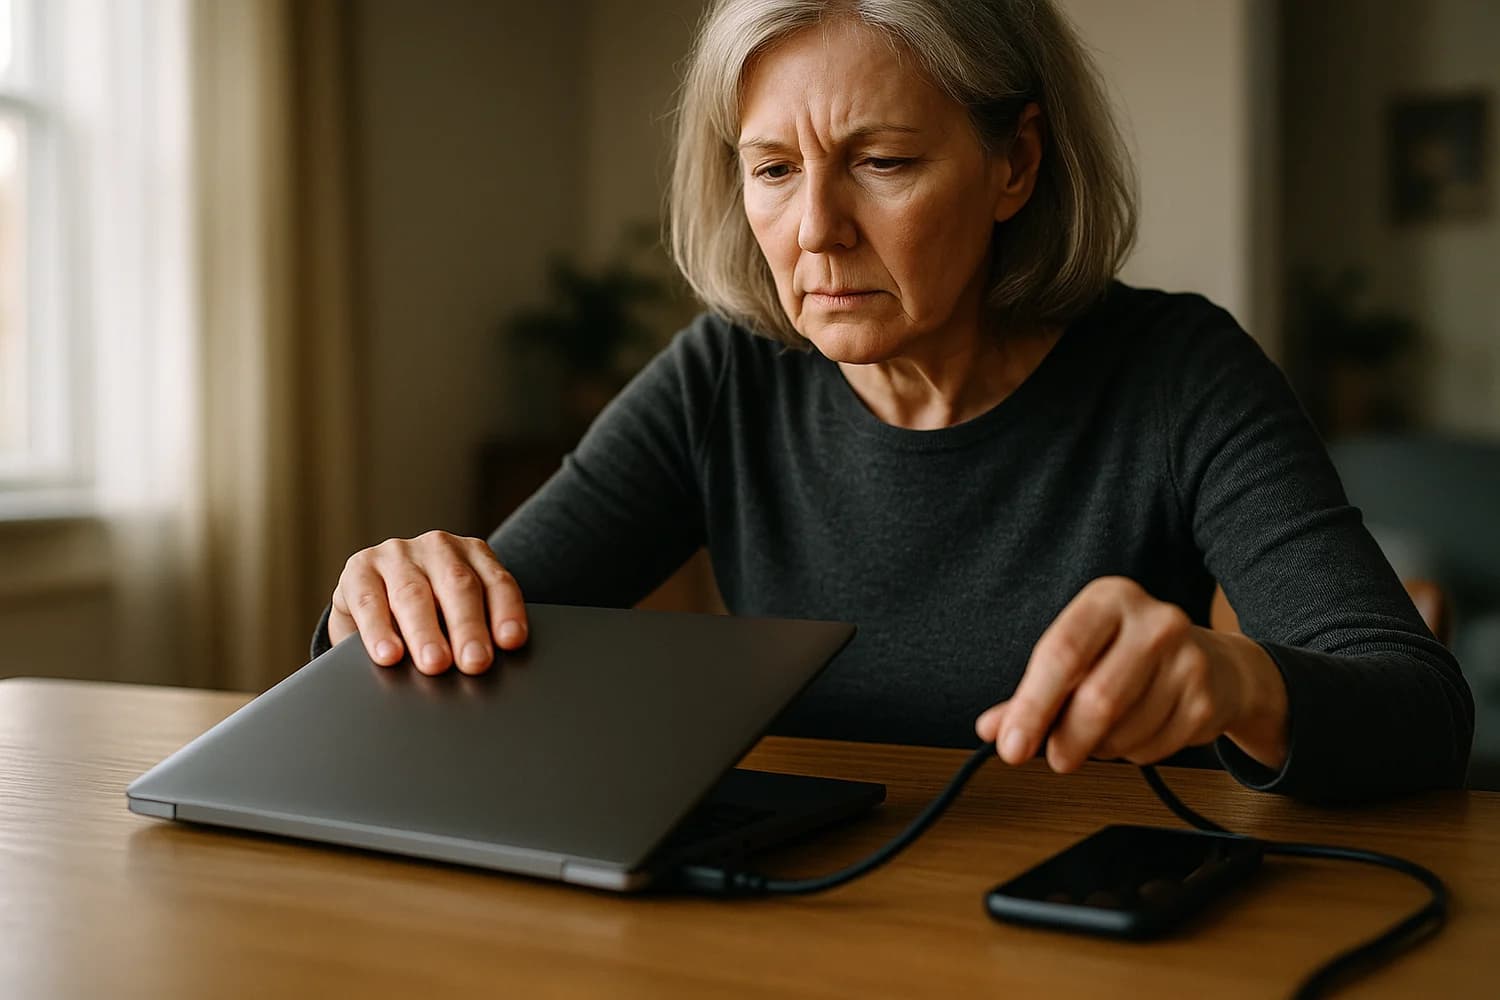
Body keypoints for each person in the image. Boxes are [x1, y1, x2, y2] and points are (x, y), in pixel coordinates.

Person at [312, 0, 1472, 804]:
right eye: (772, 169)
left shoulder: (1178, 373)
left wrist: (1239, 682)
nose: (814, 230)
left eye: (882, 162)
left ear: (1014, 164)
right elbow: (471, 648)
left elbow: (1420, 708)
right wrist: (385, 612)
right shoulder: (725, 377)